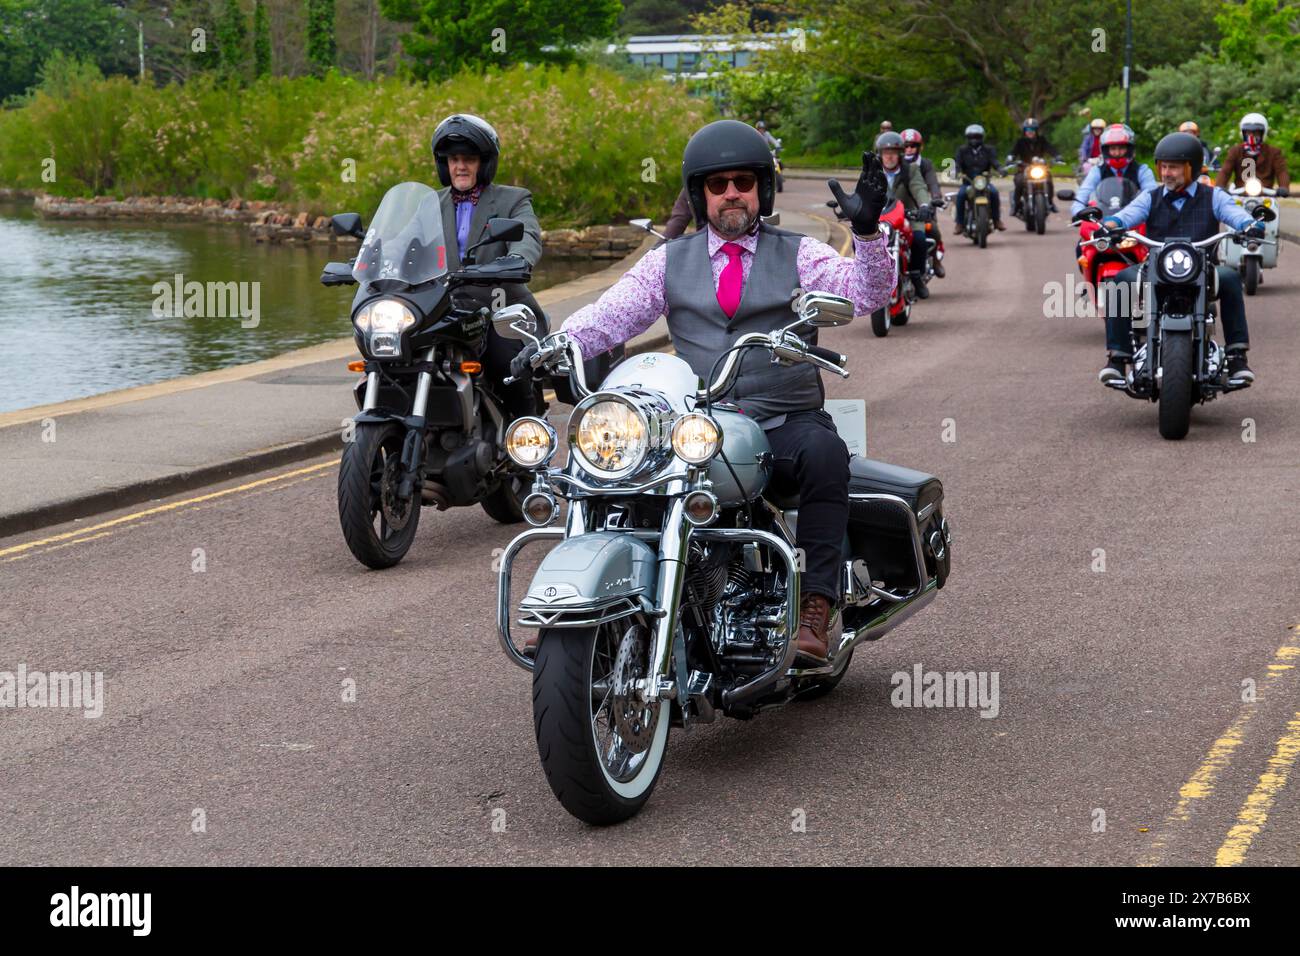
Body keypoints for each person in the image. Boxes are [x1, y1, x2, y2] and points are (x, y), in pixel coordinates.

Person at [515, 120, 894, 665]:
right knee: (606, 461)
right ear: (700, 195)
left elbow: (866, 292)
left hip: (783, 419)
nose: (732, 193)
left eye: (743, 181)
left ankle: (816, 604)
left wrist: (867, 232)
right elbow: (611, 314)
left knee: (826, 456)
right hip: (695, 421)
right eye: (718, 185)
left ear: (762, 189)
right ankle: (577, 609)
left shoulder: (800, 254)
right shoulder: (669, 261)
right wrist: (557, 343)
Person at [1096, 131, 1265, 388]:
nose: (1166, 173)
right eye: (1163, 167)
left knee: (1230, 279)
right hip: (1154, 268)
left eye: (1173, 167)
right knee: (1120, 282)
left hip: (1203, 268)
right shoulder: (1150, 196)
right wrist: (1109, 225)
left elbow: (1234, 213)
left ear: (1192, 168)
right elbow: (1126, 215)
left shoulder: (1213, 196)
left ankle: (1237, 356)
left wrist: (1250, 225)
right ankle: (1118, 357)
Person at [431, 113, 544, 420]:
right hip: (439, 308)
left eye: (468, 158)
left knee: (506, 363)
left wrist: (518, 259)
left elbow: (527, 233)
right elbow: (402, 243)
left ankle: (527, 437)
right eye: (453, 159)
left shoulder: (513, 199)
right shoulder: (428, 205)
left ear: (484, 162)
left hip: (497, 305)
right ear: (444, 164)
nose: (461, 166)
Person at [876, 130, 933, 297]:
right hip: (881, 217)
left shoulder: (911, 170)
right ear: (880, 154)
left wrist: (924, 205)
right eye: (886, 153)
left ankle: (916, 276)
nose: (890, 157)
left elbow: (919, 188)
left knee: (920, 239)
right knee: (861, 241)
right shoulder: (873, 171)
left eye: (893, 153)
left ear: (900, 153)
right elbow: (862, 192)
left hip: (907, 214)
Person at [1070, 124, 1156, 215]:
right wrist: (1078, 212)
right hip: (1102, 221)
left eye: (1122, 148)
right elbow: (1082, 195)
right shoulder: (1097, 171)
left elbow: (1152, 196)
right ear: (1106, 150)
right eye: (1113, 148)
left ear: (1129, 149)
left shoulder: (1142, 171)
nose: (1117, 153)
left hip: (1135, 219)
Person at [902, 127, 945, 277]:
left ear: (919, 147)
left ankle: (935, 260)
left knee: (932, 230)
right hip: (897, 210)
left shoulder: (925, 164)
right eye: (905, 146)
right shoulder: (895, 165)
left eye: (912, 146)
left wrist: (935, 197)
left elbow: (932, 182)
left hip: (921, 208)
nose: (908, 149)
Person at [1215, 112, 1291, 195]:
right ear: (1243, 133)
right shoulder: (1235, 151)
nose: (1251, 135)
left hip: (1266, 196)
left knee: (1274, 207)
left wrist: (1284, 187)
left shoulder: (1273, 152)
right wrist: (1219, 186)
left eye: (1256, 132)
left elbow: (1281, 171)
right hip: (1240, 195)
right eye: (1248, 132)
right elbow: (1225, 171)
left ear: (1263, 133)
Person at [953, 123, 1006, 231]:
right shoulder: (962, 150)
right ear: (967, 138)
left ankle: (997, 220)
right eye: (971, 137)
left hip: (984, 182)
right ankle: (959, 223)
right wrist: (957, 172)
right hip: (968, 182)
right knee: (961, 195)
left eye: (977, 137)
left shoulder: (989, 149)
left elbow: (994, 161)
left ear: (982, 137)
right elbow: (957, 164)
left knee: (994, 193)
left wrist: (1000, 169)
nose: (974, 139)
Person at [1009, 118, 1061, 214]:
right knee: (1019, 182)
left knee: (1049, 180)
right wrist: (1010, 158)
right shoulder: (1020, 141)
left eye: (1032, 130)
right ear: (1024, 131)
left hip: (1040, 168)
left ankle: (1050, 202)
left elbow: (1050, 148)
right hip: (1024, 168)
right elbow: (1013, 152)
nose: (1030, 132)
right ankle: (1016, 205)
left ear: (1036, 131)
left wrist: (1057, 156)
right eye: (1028, 130)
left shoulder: (1042, 140)